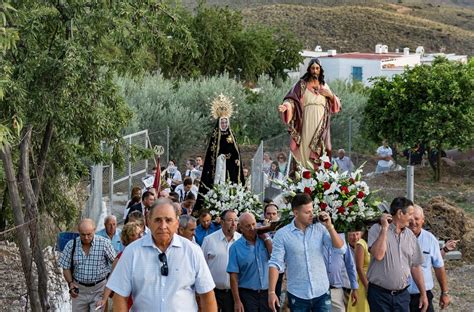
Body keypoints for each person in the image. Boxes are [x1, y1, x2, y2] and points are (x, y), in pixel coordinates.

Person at [107, 199, 217, 311]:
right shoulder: (132, 252)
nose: (163, 226)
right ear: (148, 221)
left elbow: (207, 295)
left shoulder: (193, 251)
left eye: (168, 220)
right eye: (158, 220)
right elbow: (120, 297)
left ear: (177, 223)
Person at [268, 193, 345, 312]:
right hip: (298, 294)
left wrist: (330, 227)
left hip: (322, 292)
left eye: (312, 210)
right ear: (296, 213)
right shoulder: (282, 235)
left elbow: (340, 249)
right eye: (307, 212)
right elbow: (275, 263)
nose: (311, 215)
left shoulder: (320, 228)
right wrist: (272, 292)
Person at [367, 197, 428, 312]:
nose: (411, 219)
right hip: (379, 296)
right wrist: (385, 228)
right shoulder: (377, 229)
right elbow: (378, 255)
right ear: (400, 213)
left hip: (402, 296)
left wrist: (423, 294)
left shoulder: (410, 235)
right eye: (410, 214)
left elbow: (415, 266)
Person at [278, 58, 341, 169]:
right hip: (306, 122)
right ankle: (303, 174)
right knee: (305, 147)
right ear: (309, 70)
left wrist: (330, 95)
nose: (315, 71)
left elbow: (336, 105)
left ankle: (318, 176)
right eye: (313, 68)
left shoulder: (324, 86)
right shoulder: (302, 85)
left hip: (322, 124)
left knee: (324, 148)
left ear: (320, 70)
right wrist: (286, 106)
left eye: (317, 68)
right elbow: (292, 99)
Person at [195, 94, 245, 212]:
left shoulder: (232, 136)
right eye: (222, 122)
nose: (224, 124)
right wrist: (220, 158)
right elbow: (211, 156)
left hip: (231, 167)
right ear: (219, 123)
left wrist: (235, 159)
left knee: (231, 184)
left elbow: (236, 152)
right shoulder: (215, 137)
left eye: (225, 122)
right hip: (218, 167)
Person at [59, 219, 115, 312]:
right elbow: (66, 267)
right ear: (79, 232)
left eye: (89, 234)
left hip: (99, 290)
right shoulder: (71, 245)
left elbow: (116, 263)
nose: (86, 237)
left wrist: (109, 285)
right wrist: (70, 283)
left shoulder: (104, 243)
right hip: (79, 291)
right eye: (83, 234)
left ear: (94, 230)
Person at [408, 205, 450, 311]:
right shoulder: (398, 237)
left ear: (423, 220)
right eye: (410, 219)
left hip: (423, 296)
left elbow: (439, 267)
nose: (413, 222)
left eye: (417, 219)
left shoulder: (430, 240)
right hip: (401, 296)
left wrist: (444, 293)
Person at [227, 213, 272, 312]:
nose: (252, 228)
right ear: (241, 228)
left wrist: (267, 239)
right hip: (247, 295)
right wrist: (237, 301)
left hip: (266, 293)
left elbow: (275, 259)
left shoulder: (264, 242)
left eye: (253, 224)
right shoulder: (235, 248)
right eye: (247, 226)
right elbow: (233, 276)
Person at [96, 222, 143, 311]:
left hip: (142, 298)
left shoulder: (145, 254)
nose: (141, 237)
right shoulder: (121, 258)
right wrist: (104, 299)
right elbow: (112, 280)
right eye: (137, 235)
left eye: (141, 234)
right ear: (129, 237)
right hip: (126, 300)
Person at [201, 210, 241, 312]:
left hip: (235, 293)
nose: (233, 224)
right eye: (230, 220)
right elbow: (202, 266)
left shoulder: (241, 240)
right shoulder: (209, 240)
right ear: (222, 222)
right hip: (214, 292)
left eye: (236, 220)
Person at [323, 233, 359, 312]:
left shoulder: (342, 239)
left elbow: (350, 265)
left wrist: (354, 288)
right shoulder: (315, 238)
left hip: (337, 290)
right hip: (319, 291)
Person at [347, 231, 370, 312]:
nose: (355, 237)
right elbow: (359, 268)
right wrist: (368, 287)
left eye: (357, 234)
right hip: (363, 282)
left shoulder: (368, 242)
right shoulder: (360, 243)